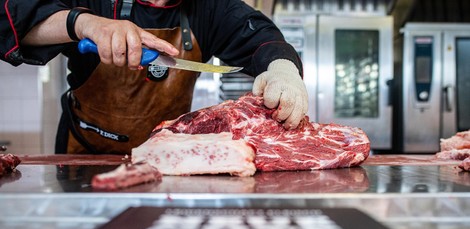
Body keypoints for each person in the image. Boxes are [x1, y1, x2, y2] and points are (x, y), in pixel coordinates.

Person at [0, 0, 308, 154]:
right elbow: (14, 19)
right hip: (86, 156)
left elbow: (263, 39)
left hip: (166, 159)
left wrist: (283, 69)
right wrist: (81, 24)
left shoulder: (209, 8)